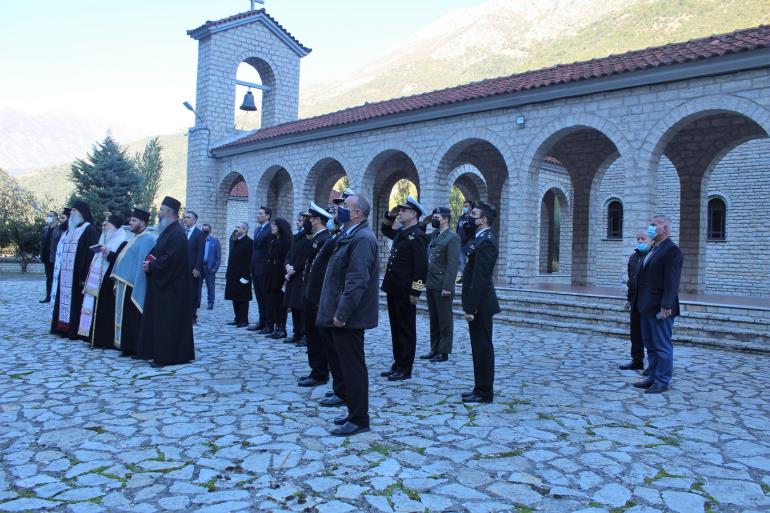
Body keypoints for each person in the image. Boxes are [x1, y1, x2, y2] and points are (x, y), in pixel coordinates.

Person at [317, 193, 379, 436]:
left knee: (353, 368)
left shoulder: (362, 238)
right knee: (347, 366)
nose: (340, 209)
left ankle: (360, 419)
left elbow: (356, 281)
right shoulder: (349, 234)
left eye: (345, 206)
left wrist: (342, 314)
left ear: (357, 213)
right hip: (341, 313)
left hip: (350, 318)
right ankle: (353, 412)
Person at [138, 196, 195, 367]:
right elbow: (160, 253)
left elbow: (171, 260)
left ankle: (167, 356)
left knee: (168, 323)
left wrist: (152, 266)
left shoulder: (177, 233)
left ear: (170, 212)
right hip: (164, 285)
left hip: (173, 289)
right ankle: (155, 352)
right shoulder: (168, 231)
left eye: (162, 210)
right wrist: (150, 261)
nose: (159, 213)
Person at [310, 192, 355, 406]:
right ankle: (339, 387)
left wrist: (416, 289)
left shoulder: (352, 236)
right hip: (326, 296)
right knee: (331, 347)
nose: (336, 209)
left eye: (342, 205)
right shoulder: (339, 232)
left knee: (339, 350)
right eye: (337, 206)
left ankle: (344, 390)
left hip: (336, 298)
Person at [632, 215, 683, 394]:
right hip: (646, 306)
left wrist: (666, 305)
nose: (650, 228)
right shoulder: (653, 248)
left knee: (661, 345)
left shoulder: (671, 250)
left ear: (665, 228)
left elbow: (672, 281)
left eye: (654, 225)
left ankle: (662, 380)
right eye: (650, 224)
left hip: (660, 308)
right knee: (650, 344)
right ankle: (652, 376)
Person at [380, 196, 428, 381]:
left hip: (406, 290)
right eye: (400, 210)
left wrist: (416, 290)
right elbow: (385, 229)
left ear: (414, 213)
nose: (400, 212)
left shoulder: (418, 235)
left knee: (406, 329)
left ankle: (405, 368)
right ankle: (398, 363)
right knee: (395, 327)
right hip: (393, 287)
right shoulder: (402, 232)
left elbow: (421, 266)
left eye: (403, 210)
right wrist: (390, 216)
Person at [461, 201, 500, 404]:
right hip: (477, 301)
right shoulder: (479, 237)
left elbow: (480, 278)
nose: (469, 216)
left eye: (473, 214)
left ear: (483, 220)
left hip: (481, 303)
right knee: (477, 348)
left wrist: (471, 307)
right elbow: (464, 240)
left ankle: (485, 392)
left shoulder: (487, 241)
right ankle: (479, 388)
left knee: (483, 348)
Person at [50, 200, 100, 340]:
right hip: (67, 275)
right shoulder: (72, 230)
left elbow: (90, 255)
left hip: (79, 275)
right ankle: (63, 328)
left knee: (77, 303)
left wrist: (84, 276)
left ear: (82, 213)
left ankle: (74, 330)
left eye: (74, 210)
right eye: (71, 210)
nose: (71, 213)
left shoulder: (89, 230)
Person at [78, 214, 128, 347]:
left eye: (107, 225)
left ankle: (103, 340)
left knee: (105, 310)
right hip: (98, 279)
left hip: (109, 280)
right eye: (103, 225)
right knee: (96, 308)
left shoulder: (122, 240)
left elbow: (120, 260)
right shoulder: (106, 237)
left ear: (115, 227)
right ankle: (92, 337)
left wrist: (109, 253)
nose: (104, 227)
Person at [297, 202, 332, 387]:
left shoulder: (325, 239)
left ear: (317, 220)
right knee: (311, 335)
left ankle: (320, 373)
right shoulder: (317, 238)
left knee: (317, 337)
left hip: (317, 295)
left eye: (309, 219)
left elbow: (323, 271)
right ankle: (315, 370)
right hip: (310, 292)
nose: (306, 222)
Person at [112, 208, 155, 356]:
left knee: (134, 317)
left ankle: (135, 347)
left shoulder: (148, 239)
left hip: (135, 284)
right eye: (130, 220)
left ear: (142, 223)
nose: (130, 222)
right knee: (126, 318)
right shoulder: (135, 237)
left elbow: (142, 263)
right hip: (125, 283)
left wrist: (138, 282)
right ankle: (126, 346)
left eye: (134, 220)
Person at [422, 206, 461, 363]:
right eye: (433, 218)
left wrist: (448, 287)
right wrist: (423, 223)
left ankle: (443, 351)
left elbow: (453, 265)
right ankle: (434, 349)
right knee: (434, 318)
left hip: (442, 285)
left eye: (436, 218)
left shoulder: (452, 237)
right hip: (431, 282)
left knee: (444, 320)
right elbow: (419, 237)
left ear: (445, 219)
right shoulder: (435, 235)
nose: (434, 220)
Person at [620, 229, 651, 371]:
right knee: (635, 332)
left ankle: (653, 364)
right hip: (635, 299)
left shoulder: (652, 256)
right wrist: (629, 298)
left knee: (649, 333)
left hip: (648, 301)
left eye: (643, 239)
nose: (639, 241)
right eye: (638, 239)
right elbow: (631, 280)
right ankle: (637, 360)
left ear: (650, 240)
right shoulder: (633, 258)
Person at [284, 213, 313, 343]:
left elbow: (305, 257)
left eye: (300, 221)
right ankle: (297, 333)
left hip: (300, 274)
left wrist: (294, 269)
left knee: (301, 306)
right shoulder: (296, 236)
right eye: (298, 220)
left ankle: (304, 334)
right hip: (292, 275)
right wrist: (287, 265)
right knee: (294, 305)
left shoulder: (308, 238)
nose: (297, 223)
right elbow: (289, 253)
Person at [264, 217, 292, 339]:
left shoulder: (286, 242)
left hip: (280, 277)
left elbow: (286, 259)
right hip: (271, 277)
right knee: (272, 303)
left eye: (274, 225)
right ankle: (275, 326)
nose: (272, 227)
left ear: (280, 227)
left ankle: (281, 328)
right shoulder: (273, 241)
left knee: (280, 304)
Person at [249, 207, 273, 333]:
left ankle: (269, 324)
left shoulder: (270, 230)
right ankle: (262, 321)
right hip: (256, 268)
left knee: (266, 298)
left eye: (260, 213)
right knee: (259, 297)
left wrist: (268, 267)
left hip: (264, 269)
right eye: (258, 213)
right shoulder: (258, 230)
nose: (257, 215)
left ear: (268, 216)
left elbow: (270, 250)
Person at [224, 221, 253, 328]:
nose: (237, 229)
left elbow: (249, 260)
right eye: (236, 227)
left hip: (242, 275)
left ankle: (244, 320)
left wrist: (246, 276)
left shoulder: (249, 242)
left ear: (245, 230)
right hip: (233, 274)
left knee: (243, 298)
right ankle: (237, 318)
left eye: (239, 227)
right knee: (234, 297)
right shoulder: (235, 241)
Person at [183, 210, 206, 323]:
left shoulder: (199, 234)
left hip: (193, 269)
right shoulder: (181, 232)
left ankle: (192, 316)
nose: (185, 219)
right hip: (180, 269)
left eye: (188, 217)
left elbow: (201, 252)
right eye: (184, 217)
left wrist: (197, 268)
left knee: (192, 292)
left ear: (195, 220)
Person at [39, 210, 59, 303]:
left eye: (51, 216)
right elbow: (42, 243)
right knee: (48, 278)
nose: (49, 217)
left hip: (55, 258)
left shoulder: (59, 230)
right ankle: (48, 297)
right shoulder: (45, 229)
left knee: (56, 278)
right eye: (48, 215)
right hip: (46, 258)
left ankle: (56, 297)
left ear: (56, 218)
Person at [201, 224, 221, 310]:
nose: (204, 231)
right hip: (199, 267)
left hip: (210, 267)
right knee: (197, 286)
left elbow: (218, 256)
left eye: (206, 229)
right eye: (203, 229)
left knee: (210, 286)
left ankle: (210, 303)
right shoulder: (199, 240)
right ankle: (197, 302)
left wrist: (215, 268)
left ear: (210, 230)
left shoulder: (215, 241)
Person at [455, 200, 474, 282]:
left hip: (469, 243)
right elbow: (457, 230)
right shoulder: (461, 218)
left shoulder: (472, 219)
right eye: (464, 206)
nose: (464, 208)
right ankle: (464, 277)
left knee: (470, 261)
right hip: (460, 243)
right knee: (461, 261)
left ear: (471, 207)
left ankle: (470, 277)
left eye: (466, 206)